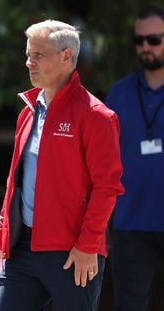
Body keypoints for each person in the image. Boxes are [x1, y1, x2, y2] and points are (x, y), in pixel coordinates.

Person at [0, 20, 124, 311]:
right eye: (28, 54)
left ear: (66, 56)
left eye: (38, 55)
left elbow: (107, 187)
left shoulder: (97, 115)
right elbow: (15, 183)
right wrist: (1, 239)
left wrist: (87, 246)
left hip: (73, 252)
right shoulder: (28, 113)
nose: (29, 63)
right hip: (22, 250)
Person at [105, 5, 164, 311]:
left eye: (154, 40)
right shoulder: (118, 94)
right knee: (128, 305)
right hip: (130, 224)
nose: (145, 47)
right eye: (139, 41)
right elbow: (102, 162)